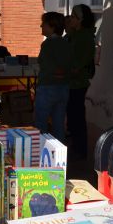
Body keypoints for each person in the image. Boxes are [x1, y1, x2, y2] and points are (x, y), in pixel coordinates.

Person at [34, 12, 72, 141]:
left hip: (47, 87)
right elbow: (69, 66)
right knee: (59, 124)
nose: (40, 26)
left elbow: (47, 67)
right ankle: (59, 156)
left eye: (43, 24)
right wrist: (62, 74)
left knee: (40, 123)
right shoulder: (66, 42)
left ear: (52, 26)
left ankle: (40, 154)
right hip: (63, 88)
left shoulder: (48, 44)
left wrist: (57, 73)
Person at [66, 4, 96, 159]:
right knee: (73, 116)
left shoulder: (85, 37)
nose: (70, 19)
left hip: (78, 83)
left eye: (73, 16)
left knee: (77, 116)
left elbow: (79, 62)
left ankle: (80, 149)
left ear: (80, 20)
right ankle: (76, 147)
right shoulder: (76, 34)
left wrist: (67, 71)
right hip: (73, 82)